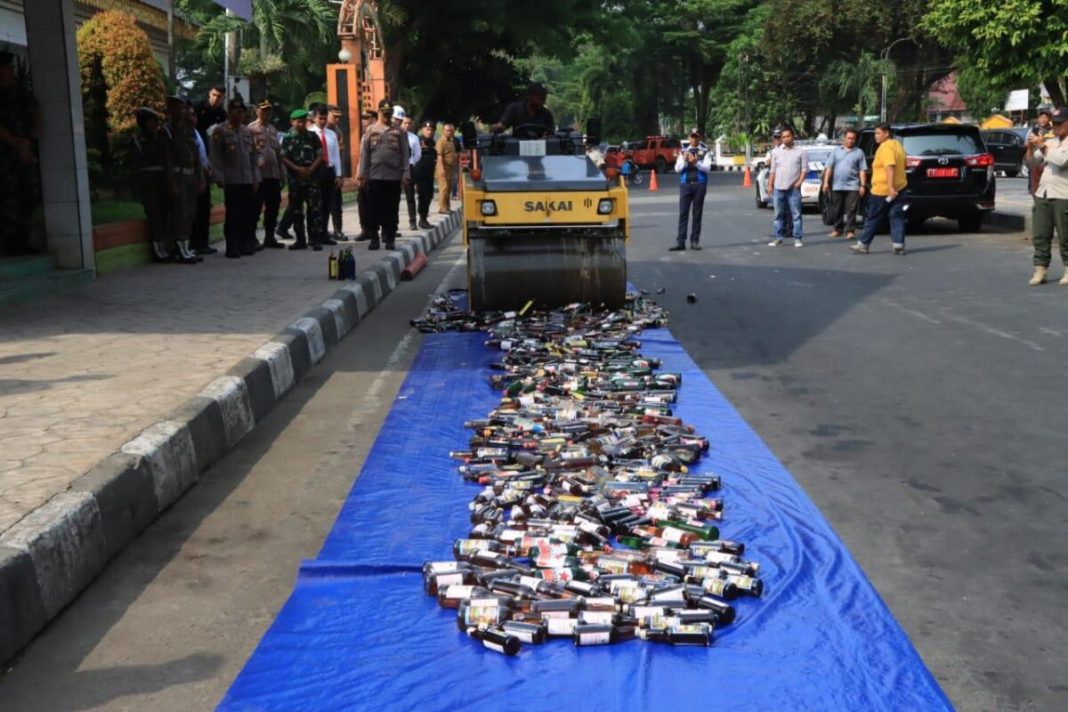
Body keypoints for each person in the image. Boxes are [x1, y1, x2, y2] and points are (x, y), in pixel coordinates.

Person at [0, 50, 40, 256]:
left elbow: (36, 116)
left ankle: (23, 241)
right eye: (7, 67)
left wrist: (29, 141)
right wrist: (16, 144)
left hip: (24, 152)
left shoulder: (22, 93)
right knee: (7, 198)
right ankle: (9, 243)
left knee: (27, 196)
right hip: (6, 155)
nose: (11, 71)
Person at [210, 98, 261, 258]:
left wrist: (256, 178)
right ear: (229, 112)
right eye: (235, 111)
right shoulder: (220, 131)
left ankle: (245, 243)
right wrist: (219, 177)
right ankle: (232, 245)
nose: (239, 115)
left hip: (246, 179)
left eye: (241, 112)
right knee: (233, 214)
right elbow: (216, 156)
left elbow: (253, 157)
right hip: (231, 180)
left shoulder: (247, 132)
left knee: (247, 213)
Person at [358, 98, 410, 250]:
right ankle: (374, 238)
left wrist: (406, 174)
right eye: (384, 113)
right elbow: (365, 154)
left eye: (389, 113)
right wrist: (362, 174)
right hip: (374, 176)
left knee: (391, 209)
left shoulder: (399, 132)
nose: (386, 116)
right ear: (379, 112)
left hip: (393, 177)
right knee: (373, 209)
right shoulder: (370, 130)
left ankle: (390, 238)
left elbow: (405, 154)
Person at [1025, 106, 1068, 286]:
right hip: (1044, 192)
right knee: (1041, 233)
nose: (1055, 127)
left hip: (1063, 195)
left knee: (1066, 235)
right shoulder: (1051, 142)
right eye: (1054, 124)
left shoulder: (1053, 144)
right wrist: (1030, 147)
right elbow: (1033, 162)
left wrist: (1042, 145)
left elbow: (1061, 160)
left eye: (1060, 123)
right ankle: (1040, 269)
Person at [851, 123, 908, 255]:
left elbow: (890, 166)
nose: (875, 136)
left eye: (878, 133)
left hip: (883, 190)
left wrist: (890, 187)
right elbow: (905, 164)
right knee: (896, 216)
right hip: (901, 187)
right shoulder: (897, 145)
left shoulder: (885, 148)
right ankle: (898, 244)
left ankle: (863, 244)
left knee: (873, 217)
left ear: (887, 133)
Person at [130, 108, 174, 262]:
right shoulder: (137, 140)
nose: (154, 125)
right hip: (148, 182)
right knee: (154, 216)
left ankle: (167, 247)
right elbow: (136, 165)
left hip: (162, 180)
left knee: (165, 214)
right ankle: (158, 250)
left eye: (155, 122)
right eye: (150, 122)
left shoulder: (161, 137)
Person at [279, 108, 324, 251]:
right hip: (295, 178)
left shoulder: (312, 136)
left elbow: (320, 155)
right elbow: (283, 157)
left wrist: (310, 169)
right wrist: (297, 169)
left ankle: (315, 239)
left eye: (303, 121)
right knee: (297, 210)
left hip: (311, 177)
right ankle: (300, 240)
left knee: (314, 209)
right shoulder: (287, 138)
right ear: (292, 122)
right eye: (298, 122)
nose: (301, 124)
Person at [166, 95, 203, 263]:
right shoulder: (167, 131)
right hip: (178, 176)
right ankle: (179, 249)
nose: (181, 111)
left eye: (182, 108)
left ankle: (186, 247)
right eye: (177, 108)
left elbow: (195, 157)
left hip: (190, 176)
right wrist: (172, 183)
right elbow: (167, 160)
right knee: (180, 213)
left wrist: (200, 178)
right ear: (170, 110)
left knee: (190, 212)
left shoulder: (188, 130)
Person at [191, 86, 227, 255]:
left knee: (205, 206)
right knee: (196, 207)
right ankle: (193, 243)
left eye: (219, 96)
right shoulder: (199, 107)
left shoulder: (221, 114)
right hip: (194, 168)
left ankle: (202, 243)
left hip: (208, 161)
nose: (216, 99)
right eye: (214, 95)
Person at [249, 100, 285, 249]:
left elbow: (278, 153)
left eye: (268, 111)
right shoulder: (251, 129)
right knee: (255, 207)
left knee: (273, 207)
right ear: (257, 111)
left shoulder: (272, 129)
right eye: (263, 110)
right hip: (259, 175)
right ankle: (251, 238)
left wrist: (282, 173)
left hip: (273, 174)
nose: (266, 113)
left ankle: (269, 237)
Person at [669, 128, 712, 251]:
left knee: (697, 214)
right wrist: (685, 161)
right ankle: (680, 241)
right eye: (692, 137)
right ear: (689, 138)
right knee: (683, 213)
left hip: (700, 184)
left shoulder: (705, 151)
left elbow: (707, 168)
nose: (694, 139)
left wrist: (695, 162)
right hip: (685, 185)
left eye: (696, 137)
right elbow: (677, 169)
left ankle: (695, 241)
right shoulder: (683, 152)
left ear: (699, 138)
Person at [822, 128, 868, 239]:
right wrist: (826, 182)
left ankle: (850, 231)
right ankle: (837, 229)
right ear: (844, 138)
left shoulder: (859, 152)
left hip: (853, 185)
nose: (850, 141)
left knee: (852, 209)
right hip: (837, 185)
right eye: (848, 138)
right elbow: (829, 167)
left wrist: (862, 185)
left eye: (853, 139)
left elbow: (862, 170)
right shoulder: (836, 151)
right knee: (837, 208)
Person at [766, 127, 806, 247]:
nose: (785, 139)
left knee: (796, 214)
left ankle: (797, 238)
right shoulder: (776, 152)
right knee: (778, 214)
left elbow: (804, 170)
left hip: (793, 189)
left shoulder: (801, 152)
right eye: (783, 137)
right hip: (778, 187)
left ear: (793, 136)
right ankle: (778, 237)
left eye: (788, 136)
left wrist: (799, 182)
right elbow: (773, 171)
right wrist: (770, 185)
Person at [309, 105, 341, 247]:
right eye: (320, 118)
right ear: (314, 118)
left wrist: (339, 175)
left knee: (328, 204)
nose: (322, 121)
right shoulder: (310, 133)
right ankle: (314, 235)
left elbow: (336, 156)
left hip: (329, 170)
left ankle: (324, 233)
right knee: (315, 205)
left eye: (324, 118)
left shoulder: (331, 134)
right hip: (316, 171)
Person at [392, 106, 421, 232]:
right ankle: (393, 225)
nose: (407, 125)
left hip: (408, 167)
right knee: (393, 198)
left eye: (409, 123)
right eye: (405, 123)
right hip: (394, 169)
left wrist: (411, 163)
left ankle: (413, 222)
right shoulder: (393, 135)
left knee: (410, 196)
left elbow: (418, 154)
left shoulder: (413, 138)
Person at [354, 109, 377, 241]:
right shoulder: (364, 135)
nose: (363, 122)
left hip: (375, 174)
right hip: (364, 173)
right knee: (362, 202)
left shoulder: (377, 134)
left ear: (373, 120)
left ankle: (377, 230)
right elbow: (362, 156)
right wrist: (359, 172)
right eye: (362, 119)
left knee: (375, 204)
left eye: (366, 119)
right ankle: (365, 229)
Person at [326, 105, 348, 240]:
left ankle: (337, 230)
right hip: (321, 171)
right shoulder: (317, 131)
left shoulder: (338, 133)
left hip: (335, 171)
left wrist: (341, 174)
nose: (337, 120)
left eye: (339, 118)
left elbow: (340, 155)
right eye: (335, 117)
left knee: (336, 203)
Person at [412, 120, 437, 229]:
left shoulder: (432, 143)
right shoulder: (417, 141)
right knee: (423, 196)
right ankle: (421, 219)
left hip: (429, 174)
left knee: (429, 195)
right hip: (419, 173)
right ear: (422, 130)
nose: (429, 132)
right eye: (427, 129)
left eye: (431, 130)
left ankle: (424, 218)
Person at [1028, 108, 1056, 195]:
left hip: (1046, 159)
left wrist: (1042, 140)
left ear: (1050, 119)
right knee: (1034, 184)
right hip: (1034, 159)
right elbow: (1027, 144)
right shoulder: (1034, 130)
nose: (1043, 120)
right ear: (1037, 119)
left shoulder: (1053, 130)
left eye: (1045, 117)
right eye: (1041, 117)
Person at [436, 123, 458, 214]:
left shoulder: (451, 141)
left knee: (448, 188)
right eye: (448, 130)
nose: (450, 132)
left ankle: (447, 207)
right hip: (443, 167)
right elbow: (439, 156)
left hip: (450, 168)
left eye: (451, 131)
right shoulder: (441, 141)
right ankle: (442, 207)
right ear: (443, 131)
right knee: (444, 188)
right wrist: (441, 169)